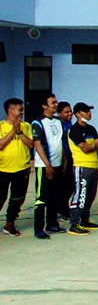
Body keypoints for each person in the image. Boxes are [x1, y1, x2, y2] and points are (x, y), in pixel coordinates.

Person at [30, 94, 65, 238]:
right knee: (41, 197)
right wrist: (47, 165)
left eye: (56, 102)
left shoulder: (58, 121)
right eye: (53, 102)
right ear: (44, 106)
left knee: (55, 196)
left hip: (58, 164)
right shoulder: (38, 122)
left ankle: (52, 223)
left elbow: (60, 141)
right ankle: (38, 229)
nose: (56, 105)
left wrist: (63, 161)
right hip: (44, 166)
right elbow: (37, 144)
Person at [66, 102, 98, 235]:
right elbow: (85, 149)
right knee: (80, 195)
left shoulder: (91, 128)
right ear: (78, 114)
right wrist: (93, 146)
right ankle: (74, 224)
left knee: (90, 195)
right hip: (82, 166)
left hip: (93, 166)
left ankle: (85, 220)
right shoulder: (74, 130)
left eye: (89, 111)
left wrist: (92, 146)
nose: (89, 113)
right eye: (86, 111)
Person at [0, 98, 34, 238]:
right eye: (20, 110)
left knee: (17, 198)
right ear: (10, 111)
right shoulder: (1, 126)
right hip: (3, 169)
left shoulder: (26, 126)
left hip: (22, 168)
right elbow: (1, 145)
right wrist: (13, 130)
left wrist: (19, 132)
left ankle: (10, 223)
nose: (22, 113)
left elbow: (30, 144)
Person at [56, 101, 75, 222]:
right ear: (59, 113)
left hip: (72, 157)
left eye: (70, 111)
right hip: (63, 159)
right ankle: (62, 210)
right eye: (66, 112)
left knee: (72, 185)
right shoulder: (58, 124)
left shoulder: (69, 123)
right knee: (64, 186)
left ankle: (61, 207)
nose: (69, 114)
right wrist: (64, 160)